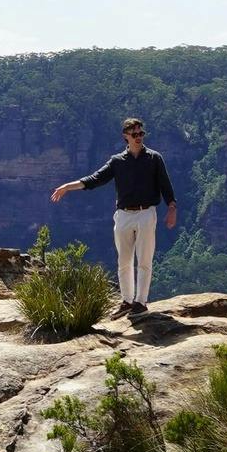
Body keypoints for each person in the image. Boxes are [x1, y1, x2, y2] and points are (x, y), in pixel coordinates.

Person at [50, 117, 178, 317]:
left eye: (141, 133)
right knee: (124, 261)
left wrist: (172, 208)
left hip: (146, 213)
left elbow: (165, 185)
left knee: (144, 260)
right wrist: (68, 187)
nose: (138, 137)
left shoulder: (154, 158)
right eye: (134, 134)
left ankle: (141, 302)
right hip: (124, 214)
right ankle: (127, 301)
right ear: (125, 136)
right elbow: (95, 179)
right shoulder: (117, 162)